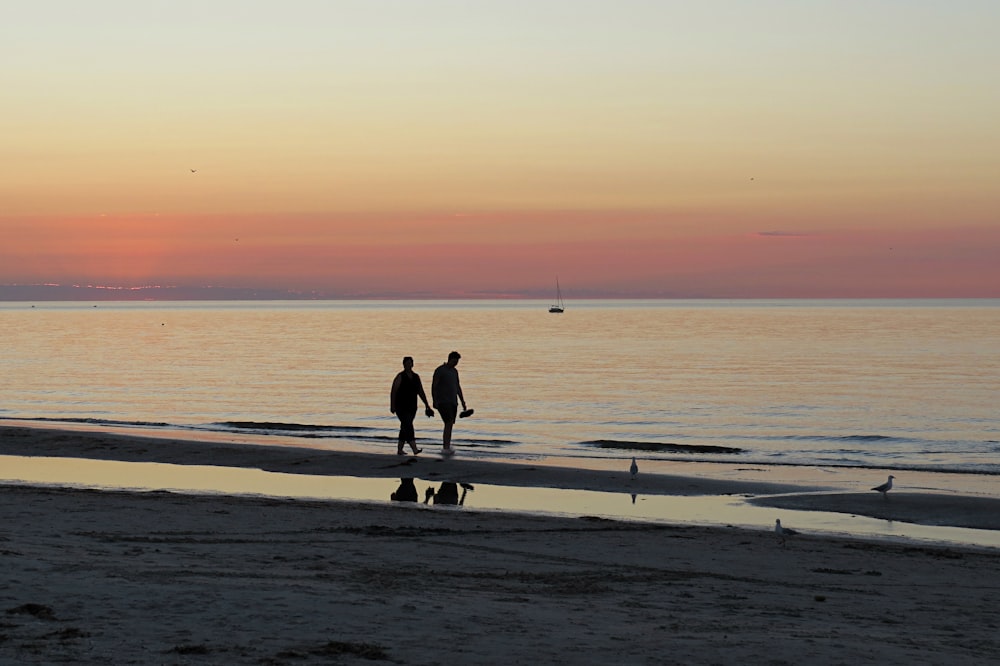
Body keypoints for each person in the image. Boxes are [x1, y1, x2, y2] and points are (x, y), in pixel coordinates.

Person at [389, 356, 433, 455]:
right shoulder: (400, 376)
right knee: (408, 425)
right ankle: (414, 448)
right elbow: (393, 391)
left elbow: (420, 391)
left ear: (412, 364)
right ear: (403, 364)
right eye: (406, 363)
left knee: (405, 426)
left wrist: (427, 405)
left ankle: (400, 450)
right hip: (401, 406)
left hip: (412, 407)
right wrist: (392, 405)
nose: (408, 365)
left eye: (410, 363)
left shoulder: (416, 377)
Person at [431, 351, 469, 455]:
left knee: (450, 423)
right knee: (448, 422)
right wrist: (434, 400)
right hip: (443, 401)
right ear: (450, 359)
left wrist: (462, 401)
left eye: (457, 361)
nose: (456, 363)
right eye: (455, 360)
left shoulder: (455, 372)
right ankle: (446, 447)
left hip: (453, 401)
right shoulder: (440, 370)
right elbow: (434, 385)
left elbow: (457, 387)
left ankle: (447, 445)